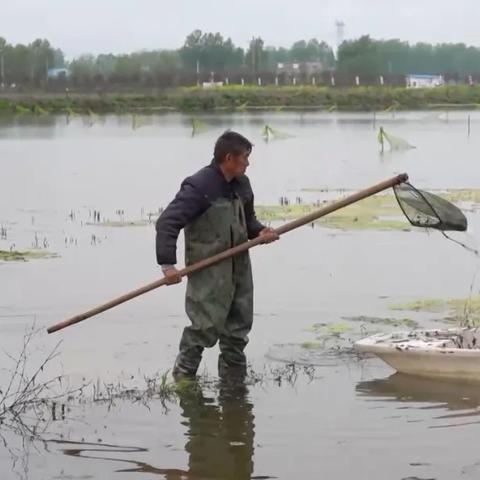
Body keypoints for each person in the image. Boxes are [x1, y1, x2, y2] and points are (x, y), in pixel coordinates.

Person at [156, 130, 279, 379]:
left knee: (238, 327)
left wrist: (261, 233)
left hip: (239, 266)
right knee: (204, 326)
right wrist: (168, 265)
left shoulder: (242, 185)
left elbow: (248, 220)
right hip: (209, 269)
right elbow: (167, 223)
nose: (248, 163)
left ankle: (235, 385)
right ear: (229, 158)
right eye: (245, 157)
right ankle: (183, 378)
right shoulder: (199, 186)